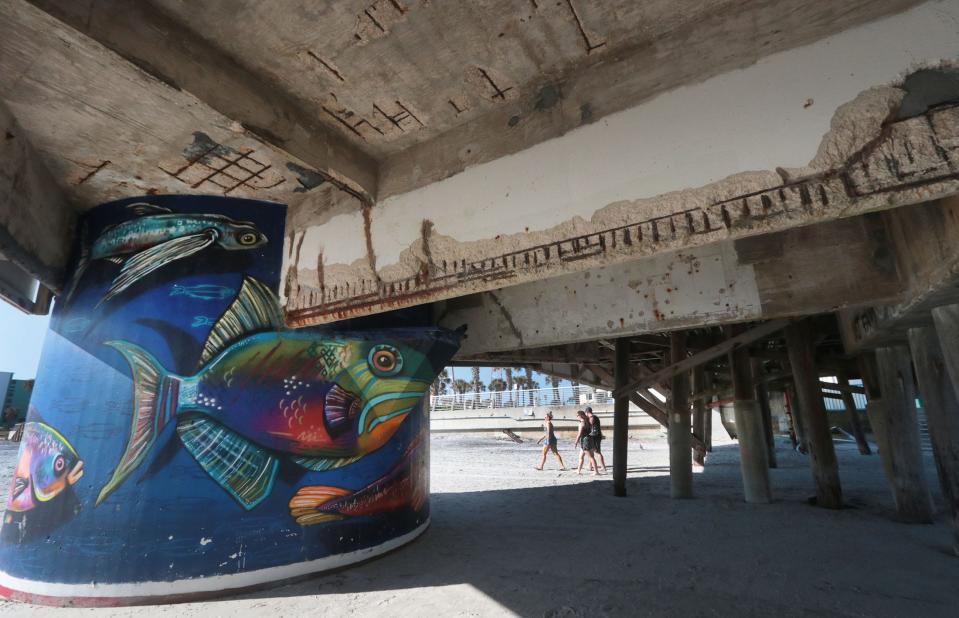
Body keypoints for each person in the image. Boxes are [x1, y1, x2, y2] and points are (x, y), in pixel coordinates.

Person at [574, 410, 599, 475]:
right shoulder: (587, 421)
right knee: (581, 457)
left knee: (591, 457)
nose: (577, 417)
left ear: (581, 415)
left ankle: (596, 472)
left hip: (585, 441)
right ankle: (578, 470)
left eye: (577, 415)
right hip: (589, 439)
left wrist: (576, 442)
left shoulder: (581, 423)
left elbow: (579, 434)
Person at [585, 407, 608, 473]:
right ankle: (590, 466)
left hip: (595, 437)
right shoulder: (595, 417)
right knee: (591, 451)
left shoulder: (591, 417)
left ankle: (603, 467)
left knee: (598, 452)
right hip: (596, 436)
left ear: (587, 412)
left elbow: (590, 426)